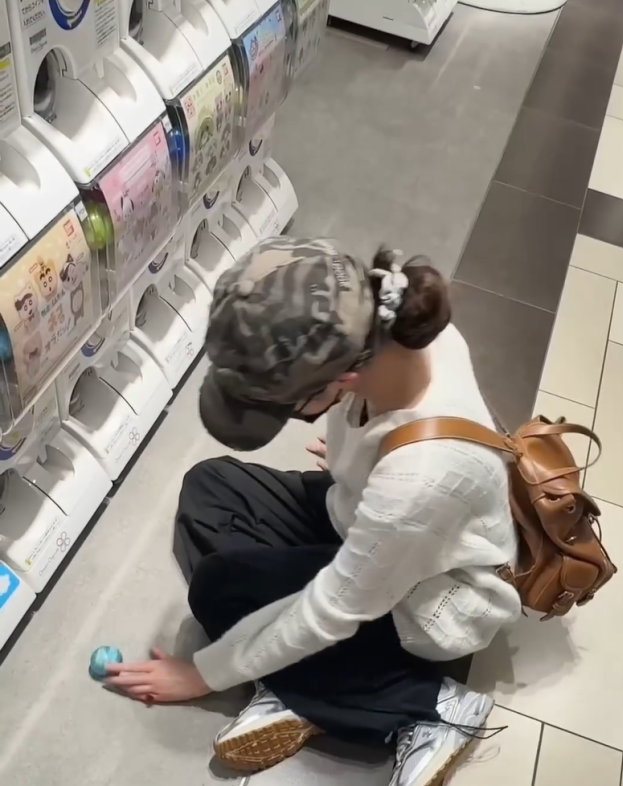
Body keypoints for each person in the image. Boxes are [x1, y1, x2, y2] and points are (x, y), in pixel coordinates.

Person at [107, 238, 521, 786]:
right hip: (379, 518)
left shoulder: (419, 478)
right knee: (211, 485)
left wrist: (203, 675)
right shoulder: (391, 327)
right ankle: (313, 675)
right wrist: (361, 458)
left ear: (342, 380)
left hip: (434, 598)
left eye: (291, 408)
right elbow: (388, 447)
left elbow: (329, 609)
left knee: (218, 590)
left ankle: (427, 708)